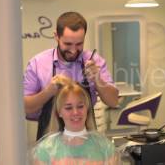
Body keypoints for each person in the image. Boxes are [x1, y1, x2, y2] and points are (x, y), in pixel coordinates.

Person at [23, 11, 119, 140]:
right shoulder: (38, 63)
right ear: (56, 36)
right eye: (68, 44)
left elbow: (113, 101)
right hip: (49, 143)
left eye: (79, 44)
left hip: (86, 140)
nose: (74, 50)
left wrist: (98, 80)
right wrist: (48, 92)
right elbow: (26, 108)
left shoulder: (94, 61)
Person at [31, 78, 119, 165]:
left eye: (80, 106)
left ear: (87, 109)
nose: (75, 112)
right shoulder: (46, 150)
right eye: (68, 108)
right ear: (59, 112)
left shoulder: (105, 148)